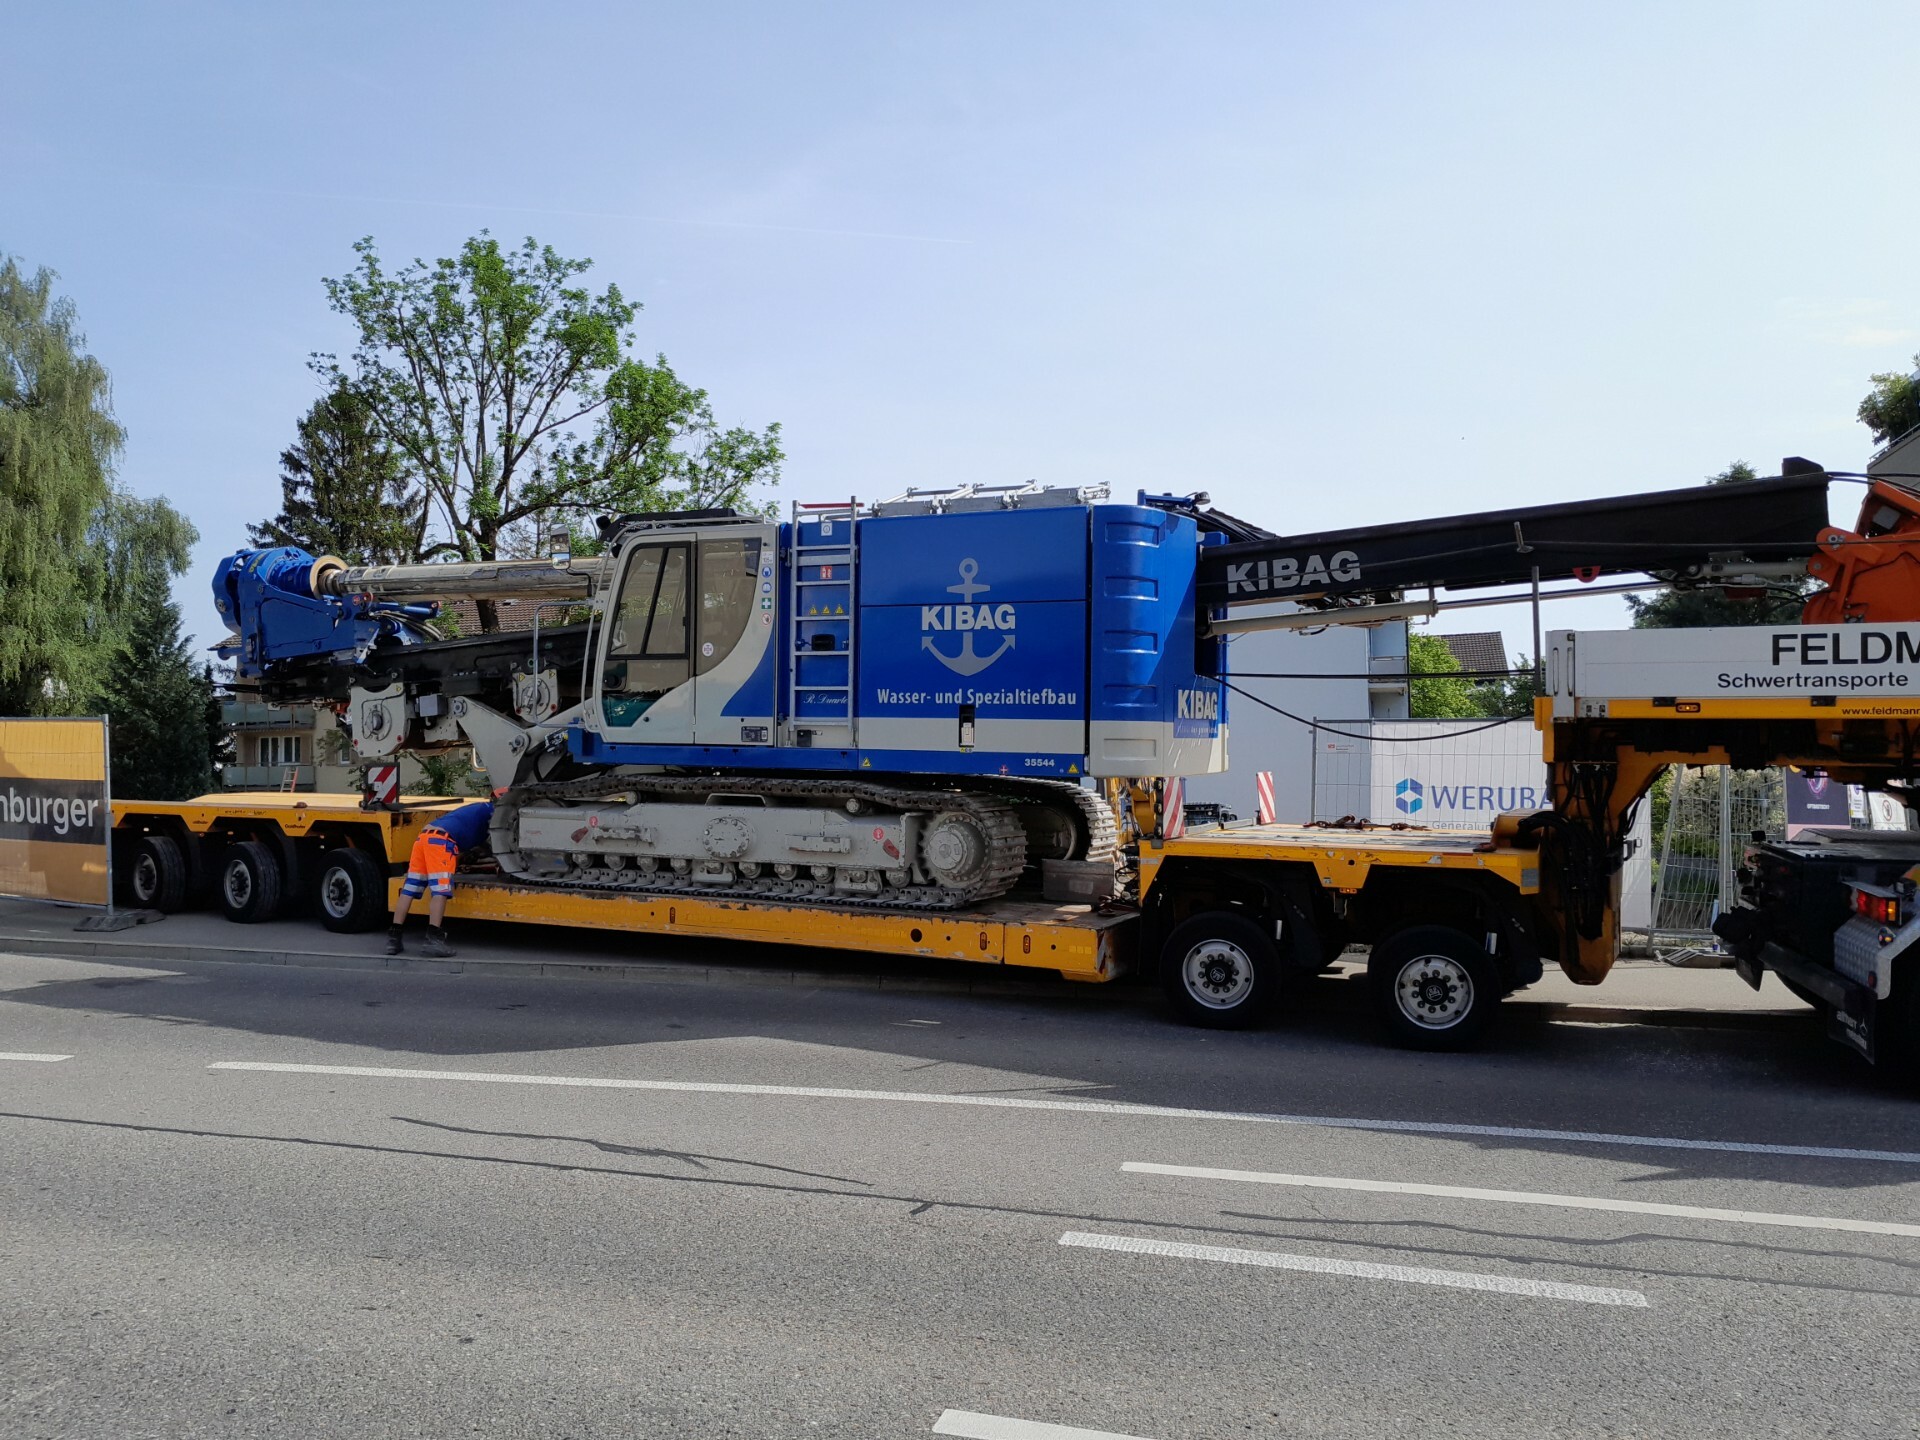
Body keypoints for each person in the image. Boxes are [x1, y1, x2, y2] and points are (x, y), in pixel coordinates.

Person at [387, 800, 495, 958]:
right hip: (441, 842)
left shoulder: (477, 809)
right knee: (440, 891)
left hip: (423, 839)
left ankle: (393, 938)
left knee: (409, 888)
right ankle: (434, 939)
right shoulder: (494, 812)